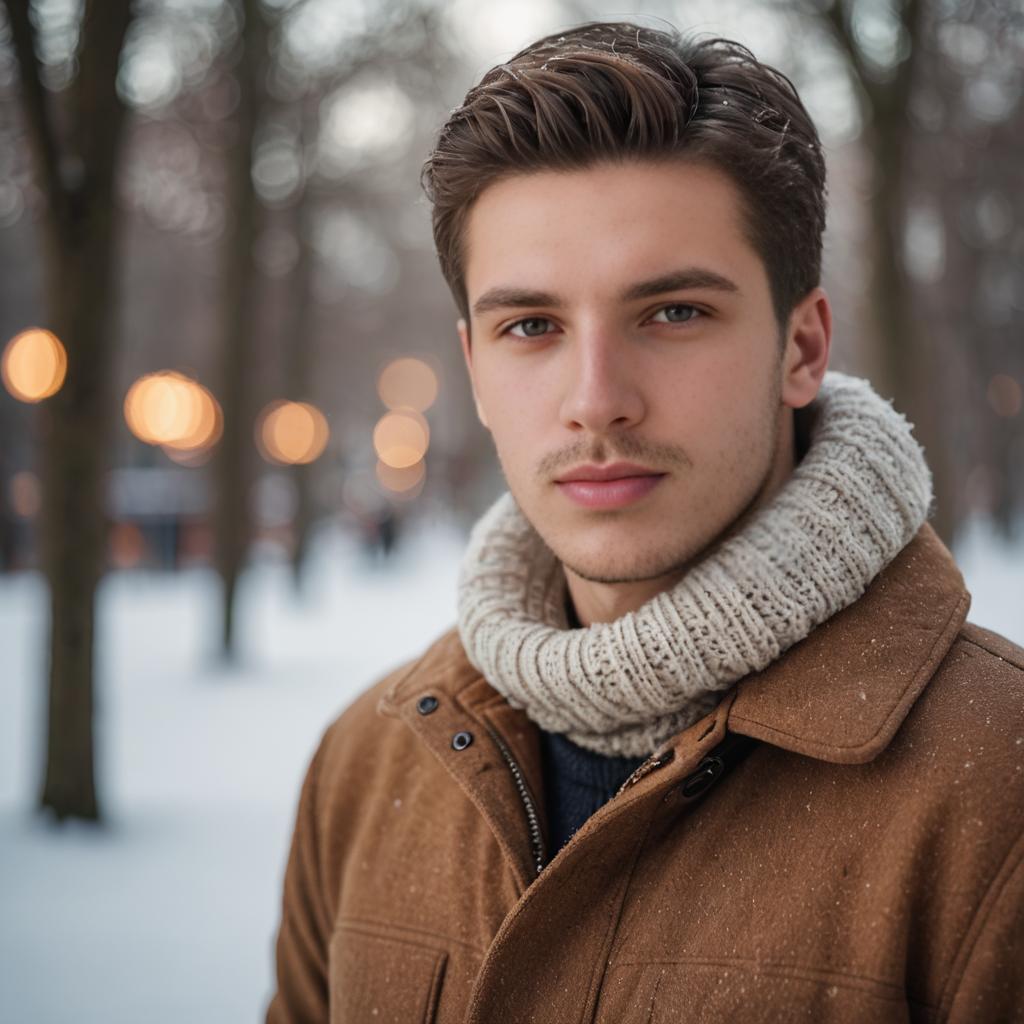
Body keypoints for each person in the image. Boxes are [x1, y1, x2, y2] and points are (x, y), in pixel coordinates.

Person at [266, 21, 1024, 1023]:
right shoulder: (365, 767)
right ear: (476, 372)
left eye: (670, 313)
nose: (596, 399)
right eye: (530, 327)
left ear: (802, 346)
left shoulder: (997, 796)